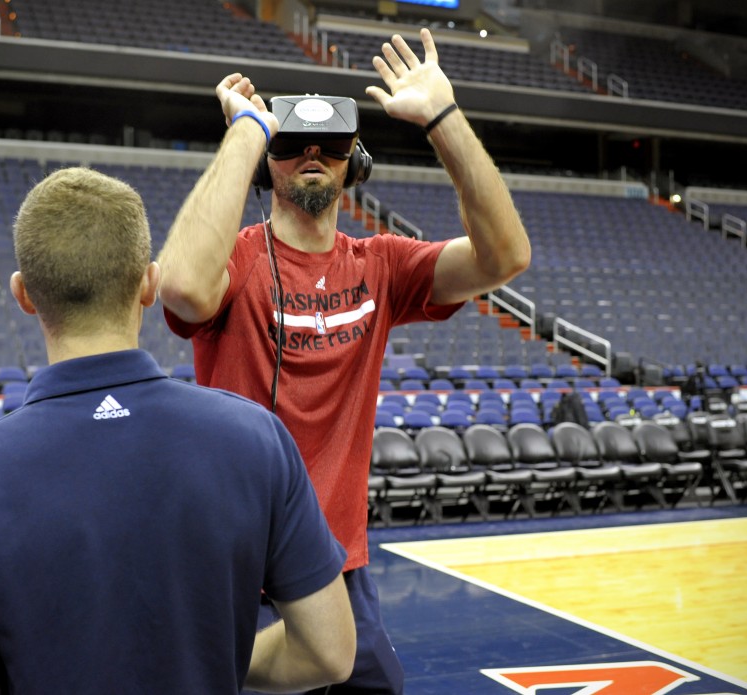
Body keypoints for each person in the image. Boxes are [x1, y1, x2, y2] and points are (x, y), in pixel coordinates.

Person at [157, 28, 530, 694]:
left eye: (328, 146)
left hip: (340, 571)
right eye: (293, 143)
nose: (311, 155)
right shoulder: (236, 261)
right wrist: (244, 132)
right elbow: (181, 286)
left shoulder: (382, 265)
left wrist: (444, 118)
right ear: (268, 161)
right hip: (243, 574)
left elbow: (505, 256)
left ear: (351, 163)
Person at [0, 167, 356, 695]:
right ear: (149, 284)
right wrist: (214, 652)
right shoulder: (257, 439)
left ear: (24, 294)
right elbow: (329, 652)